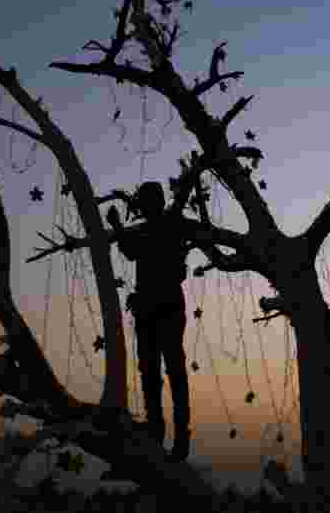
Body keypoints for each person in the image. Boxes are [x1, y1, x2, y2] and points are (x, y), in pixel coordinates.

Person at [106, 180, 192, 463]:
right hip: (157, 307)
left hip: (161, 307)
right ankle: (162, 431)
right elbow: (132, 250)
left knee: (166, 371)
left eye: (144, 201)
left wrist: (118, 226)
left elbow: (130, 250)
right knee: (156, 371)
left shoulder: (161, 227)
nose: (141, 206)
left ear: (153, 202)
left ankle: (173, 435)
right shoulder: (164, 226)